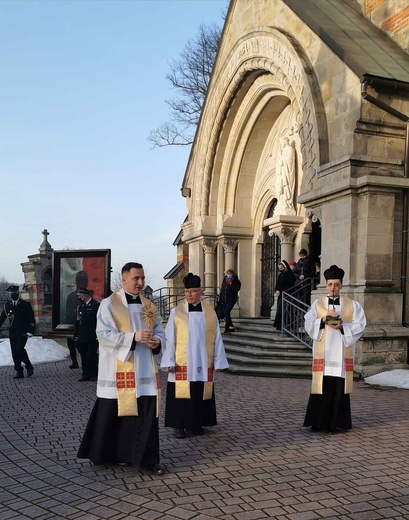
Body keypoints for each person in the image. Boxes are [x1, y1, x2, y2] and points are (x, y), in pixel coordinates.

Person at [77, 262, 166, 474]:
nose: (141, 282)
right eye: (136, 278)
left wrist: (157, 342)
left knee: (145, 415)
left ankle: (148, 460)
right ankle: (113, 454)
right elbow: (104, 335)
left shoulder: (149, 306)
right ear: (124, 279)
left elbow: (161, 332)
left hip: (144, 372)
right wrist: (132, 338)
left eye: (143, 278)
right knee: (114, 415)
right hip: (118, 372)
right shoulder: (109, 304)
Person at [161, 273, 229, 439]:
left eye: (192, 291)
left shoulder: (210, 312)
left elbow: (216, 338)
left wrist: (218, 361)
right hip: (181, 361)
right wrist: (168, 360)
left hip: (202, 361)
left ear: (200, 292)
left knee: (198, 392)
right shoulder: (176, 312)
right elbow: (169, 338)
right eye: (186, 291)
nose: (189, 295)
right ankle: (178, 426)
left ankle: (196, 425)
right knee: (181, 394)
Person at [303, 265, 366, 434]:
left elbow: (360, 325)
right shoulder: (318, 304)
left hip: (340, 355)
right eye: (330, 284)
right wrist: (322, 320)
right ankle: (318, 423)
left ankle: (335, 424)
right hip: (323, 355)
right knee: (321, 387)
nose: (333, 288)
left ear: (341, 285)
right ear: (326, 285)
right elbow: (308, 322)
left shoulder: (352, 305)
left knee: (337, 387)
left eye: (336, 284)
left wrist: (343, 326)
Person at [0, 285, 35, 379]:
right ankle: (19, 371)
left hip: (23, 331)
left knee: (19, 349)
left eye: (14, 293)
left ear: (18, 293)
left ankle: (28, 365)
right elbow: (2, 318)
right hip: (13, 332)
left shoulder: (25, 304)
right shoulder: (7, 305)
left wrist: (30, 330)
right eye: (11, 294)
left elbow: (31, 318)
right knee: (14, 352)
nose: (12, 295)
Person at [74, 288, 100, 382]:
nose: (80, 298)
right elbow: (78, 321)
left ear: (85, 296)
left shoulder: (95, 305)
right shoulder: (81, 306)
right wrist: (76, 333)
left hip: (92, 335)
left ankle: (94, 374)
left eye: (81, 296)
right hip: (83, 335)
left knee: (92, 355)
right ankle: (85, 374)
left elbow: (98, 320)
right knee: (84, 355)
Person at [273, 260, 296, 330]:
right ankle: (279, 325)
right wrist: (277, 290)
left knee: (285, 310)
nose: (280, 270)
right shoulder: (280, 275)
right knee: (279, 310)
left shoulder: (290, 275)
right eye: (279, 269)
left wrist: (281, 290)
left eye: (281, 268)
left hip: (287, 295)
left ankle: (286, 325)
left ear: (285, 267)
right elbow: (277, 284)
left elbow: (289, 285)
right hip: (281, 295)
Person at [218, 269, 241, 333]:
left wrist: (231, 283)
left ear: (232, 274)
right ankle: (230, 327)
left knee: (227, 311)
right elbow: (222, 290)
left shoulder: (236, 281)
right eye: (227, 274)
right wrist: (220, 299)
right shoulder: (225, 280)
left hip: (231, 299)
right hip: (224, 299)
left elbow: (237, 289)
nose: (228, 275)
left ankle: (228, 328)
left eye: (230, 274)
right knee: (226, 313)